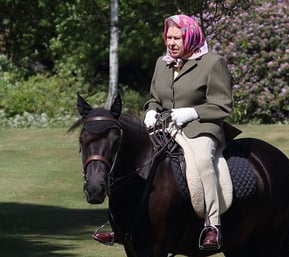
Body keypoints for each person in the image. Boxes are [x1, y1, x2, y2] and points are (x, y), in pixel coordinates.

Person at [93, 14, 234, 250]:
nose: (171, 43)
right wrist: (150, 111)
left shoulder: (212, 63)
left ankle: (212, 225)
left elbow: (222, 105)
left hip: (200, 128)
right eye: (168, 37)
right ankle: (119, 226)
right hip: (165, 127)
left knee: (202, 162)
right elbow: (154, 99)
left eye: (177, 37)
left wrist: (192, 113)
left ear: (190, 36)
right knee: (130, 160)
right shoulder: (163, 62)